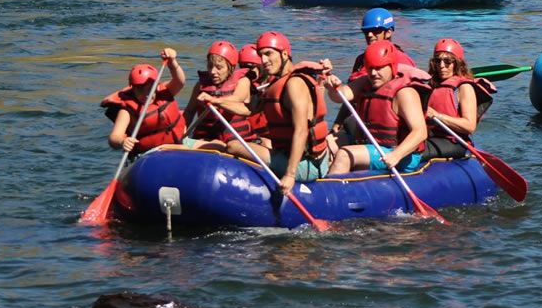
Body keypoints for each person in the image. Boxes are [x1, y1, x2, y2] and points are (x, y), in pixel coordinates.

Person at [225, 32, 331, 194]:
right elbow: (249, 110)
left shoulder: (294, 83)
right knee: (257, 143)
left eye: (269, 54)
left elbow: (301, 130)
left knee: (233, 146)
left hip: (308, 164)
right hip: (294, 156)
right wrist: (216, 101)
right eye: (261, 55)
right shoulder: (277, 82)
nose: (264, 60)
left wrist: (289, 175)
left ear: (284, 54)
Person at [327, 39, 430, 175]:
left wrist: (396, 155)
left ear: (392, 66)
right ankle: (318, 183)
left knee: (344, 155)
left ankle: (332, 194)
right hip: (372, 145)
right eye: (370, 68)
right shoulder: (365, 82)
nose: (374, 73)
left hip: (400, 154)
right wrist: (332, 87)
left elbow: (420, 132)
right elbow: (339, 97)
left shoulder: (405, 93)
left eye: (379, 67)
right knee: (327, 142)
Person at [182, 41, 268, 150]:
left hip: (237, 141)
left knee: (266, 143)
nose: (213, 71)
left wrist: (213, 100)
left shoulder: (243, 81)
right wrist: (181, 131)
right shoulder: (200, 86)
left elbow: (237, 99)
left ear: (230, 68)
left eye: (219, 67)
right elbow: (189, 111)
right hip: (206, 140)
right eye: (210, 66)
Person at [102, 49, 187, 157]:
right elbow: (114, 137)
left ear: (156, 86)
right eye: (140, 90)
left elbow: (180, 81)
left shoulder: (165, 92)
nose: (146, 94)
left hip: (180, 143)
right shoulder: (127, 110)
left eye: (149, 89)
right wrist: (122, 141)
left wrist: (172, 62)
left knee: (214, 146)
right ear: (133, 89)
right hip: (150, 154)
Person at [422, 39, 495, 160]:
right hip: (428, 136)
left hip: (454, 142)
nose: (441, 66)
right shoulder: (429, 85)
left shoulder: (464, 88)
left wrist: (437, 116)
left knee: (416, 152)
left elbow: (469, 126)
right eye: (437, 61)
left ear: (457, 63)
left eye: (447, 61)